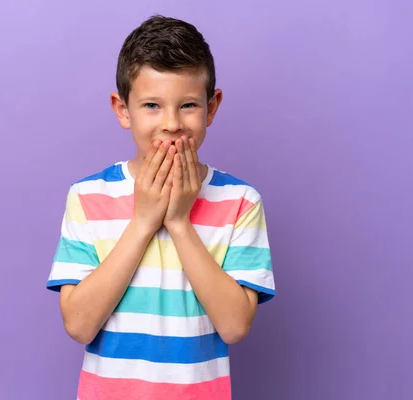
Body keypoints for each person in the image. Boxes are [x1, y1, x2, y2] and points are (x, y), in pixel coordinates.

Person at [46, 14, 275, 400]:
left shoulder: (240, 202)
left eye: (187, 105)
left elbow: (235, 326)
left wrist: (180, 223)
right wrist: (143, 221)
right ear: (123, 109)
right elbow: (80, 325)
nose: (171, 123)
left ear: (212, 107)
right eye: (152, 105)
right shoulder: (87, 196)